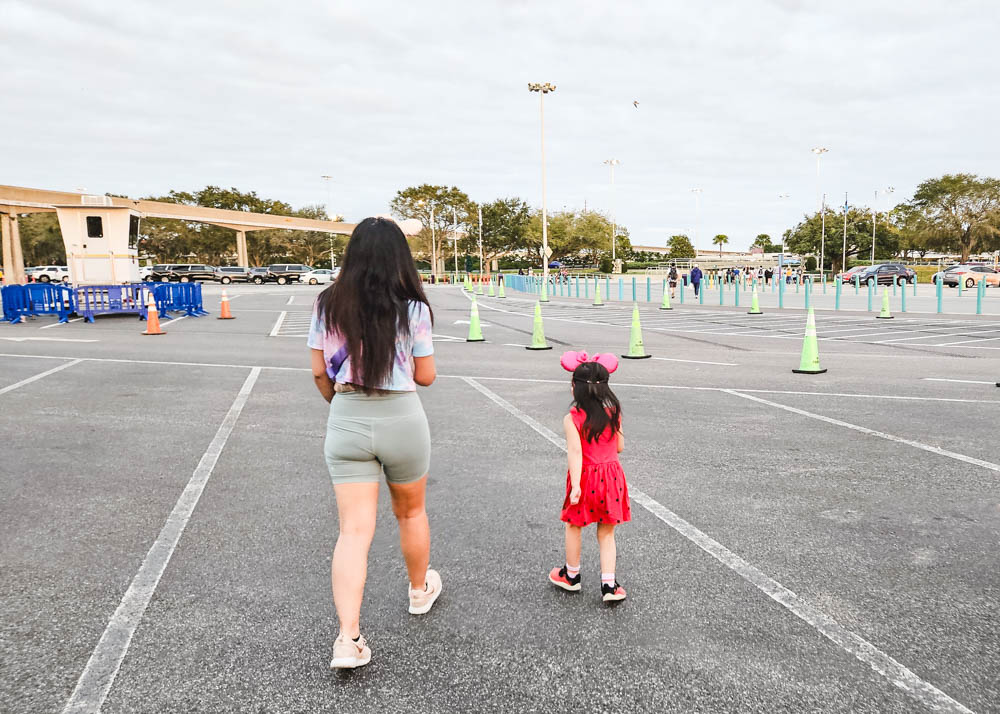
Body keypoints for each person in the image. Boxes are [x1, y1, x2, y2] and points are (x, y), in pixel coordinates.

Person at [308, 217, 441, 670]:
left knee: (353, 532)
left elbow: (319, 372)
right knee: (411, 511)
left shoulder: (327, 305)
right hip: (401, 416)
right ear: (398, 258)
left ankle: (348, 639)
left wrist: (338, 402)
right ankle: (419, 591)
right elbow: (425, 375)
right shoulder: (414, 310)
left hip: (347, 416)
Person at [548, 351, 629, 602]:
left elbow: (575, 453)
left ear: (575, 388)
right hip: (612, 477)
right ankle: (609, 585)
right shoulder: (613, 411)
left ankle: (571, 576)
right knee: (606, 533)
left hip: (585, 478)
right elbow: (619, 447)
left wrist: (574, 487)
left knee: (574, 526)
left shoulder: (572, 418)